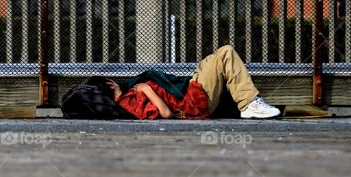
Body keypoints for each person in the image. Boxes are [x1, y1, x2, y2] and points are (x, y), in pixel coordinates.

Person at [97, 45, 280, 120]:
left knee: (210, 60)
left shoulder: (128, 96)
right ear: (110, 85)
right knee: (226, 52)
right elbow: (166, 113)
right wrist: (146, 89)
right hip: (194, 102)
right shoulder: (127, 103)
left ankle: (248, 102)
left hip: (192, 91)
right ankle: (249, 104)